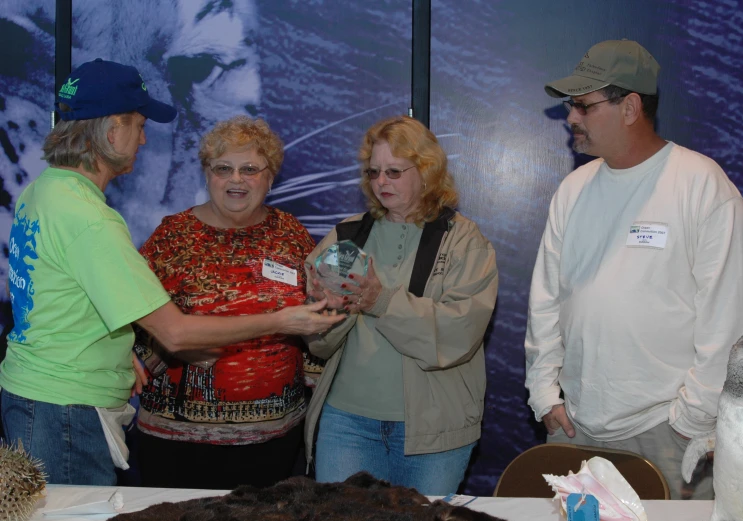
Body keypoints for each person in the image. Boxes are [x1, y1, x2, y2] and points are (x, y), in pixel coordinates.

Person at [0, 59, 343, 486]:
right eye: (139, 126)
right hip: (67, 408)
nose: (144, 139)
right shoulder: (90, 219)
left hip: (46, 395)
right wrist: (280, 321)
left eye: (250, 169)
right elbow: (174, 333)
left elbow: (71, 300)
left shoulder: (44, 190)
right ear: (112, 132)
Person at [524, 39, 743, 500]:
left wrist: (689, 421)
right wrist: (545, 395)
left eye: (583, 106)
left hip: (667, 435)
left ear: (630, 107)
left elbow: (728, 322)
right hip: (576, 428)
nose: (572, 118)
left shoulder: (702, 186)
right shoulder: (573, 190)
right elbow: (546, 300)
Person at [303, 115, 498, 495]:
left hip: (433, 431)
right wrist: (330, 311)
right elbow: (319, 345)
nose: (381, 182)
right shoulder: (346, 235)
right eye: (374, 172)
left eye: (394, 171)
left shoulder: (464, 241)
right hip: (347, 424)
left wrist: (380, 301)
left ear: (427, 172)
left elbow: (459, 334)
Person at [134, 115, 320, 490]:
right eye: (224, 168)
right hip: (178, 444)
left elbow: (314, 317)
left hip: (276, 441)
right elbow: (134, 319)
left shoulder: (291, 233)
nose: (237, 179)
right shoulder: (172, 236)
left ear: (270, 177)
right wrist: (166, 348)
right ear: (207, 174)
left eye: (250, 169)